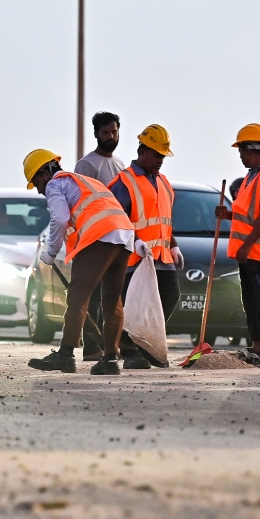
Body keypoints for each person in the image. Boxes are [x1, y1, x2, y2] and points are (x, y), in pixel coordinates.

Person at [24, 149, 137, 375]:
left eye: (36, 181)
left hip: (100, 235)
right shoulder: (85, 181)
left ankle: (65, 355)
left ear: (46, 171)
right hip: (124, 235)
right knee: (112, 299)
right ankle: (111, 358)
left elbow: (60, 218)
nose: (38, 189)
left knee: (77, 295)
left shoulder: (56, 183)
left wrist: (51, 250)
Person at [109, 124, 182, 369]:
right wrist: (135, 241)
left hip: (161, 257)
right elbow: (116, 220)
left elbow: (166, 220)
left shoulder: (164, 183)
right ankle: (130, 352)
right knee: (133, 307)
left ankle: (145, 346)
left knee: (170, 297)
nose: (161, 160)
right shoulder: (124, 182)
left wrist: (174, 245)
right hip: (133, 259)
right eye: (157, 155)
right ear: (143, 151)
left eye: (163, 155)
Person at [214, 123, 260, 367]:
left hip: (259, 252)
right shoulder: (250, 177)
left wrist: (246, 245)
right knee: (251, 300)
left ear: (250, 149)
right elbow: (249, 214)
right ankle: (257, 345)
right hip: (249, 252)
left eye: (241, 151)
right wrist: (229, 215)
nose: (240, 156)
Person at [72, 111, 126, 358]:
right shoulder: (87, 165)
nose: (111, 136)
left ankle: (110, 347)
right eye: (106, 132)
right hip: (93, 238)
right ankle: (91, 346)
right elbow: (80, 201)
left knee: (112, 296)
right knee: (91, 294)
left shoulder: (120, 166)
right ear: (96, 134)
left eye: (114, 131)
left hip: (117, 239)